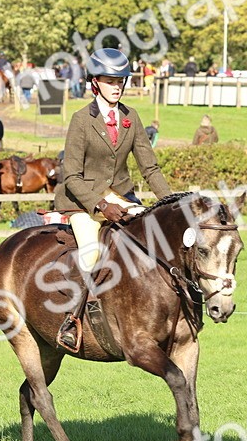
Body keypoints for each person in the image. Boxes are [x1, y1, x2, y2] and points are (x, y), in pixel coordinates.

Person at [54, 47, 173, 351]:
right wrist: (101, 205)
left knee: (155, 239)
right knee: (91, 254)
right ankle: (71, 320)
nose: (117, 86)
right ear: (95, 83)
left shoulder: (131, 117)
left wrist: (173, 205)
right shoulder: (82, 119)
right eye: (110, 81)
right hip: (83, 201)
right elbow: (71, 175)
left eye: (120, 81)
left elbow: (150, 167)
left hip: (121, 197)